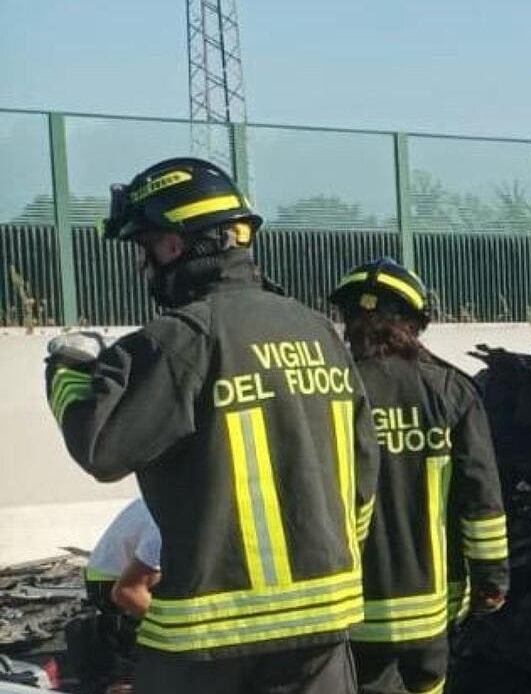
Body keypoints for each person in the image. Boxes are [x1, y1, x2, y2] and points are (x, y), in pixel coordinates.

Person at [44, 157, 380, 694]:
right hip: (325, 623)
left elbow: (102, 447)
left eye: (146, 248)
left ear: (175, 245)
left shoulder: (179, 338)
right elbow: (364, 474)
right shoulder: (319, 332)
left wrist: (66, 371)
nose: (143, 267)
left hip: (211, 640)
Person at [329, 258, 509, 694]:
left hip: (350, 612)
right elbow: (481, 498)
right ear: (414, 322)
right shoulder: (450, 391)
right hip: (433, 610)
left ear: (350, 322)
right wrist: (492, 579)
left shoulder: (332, 390)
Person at [81, 498, 161, 694]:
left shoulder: (165, 494)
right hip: (112, 581)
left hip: (112, 572)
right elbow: (129, 592)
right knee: (132, 666)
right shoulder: (169, 524)